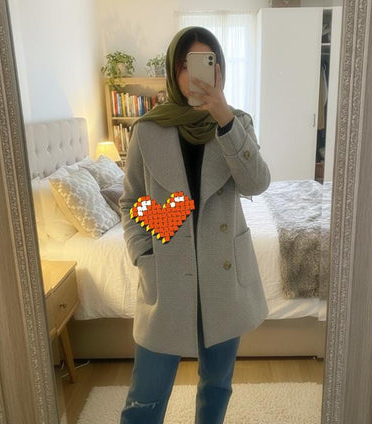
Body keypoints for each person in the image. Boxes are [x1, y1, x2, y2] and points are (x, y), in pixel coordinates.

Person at [119, 26, 270, 424]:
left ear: (219, 70)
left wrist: (224, 119)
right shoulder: (147, 129)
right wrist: (145, 253)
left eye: (206, 62)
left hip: (223, 278)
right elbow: (131, 201)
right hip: (167, 277)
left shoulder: (237, 123)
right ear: (174, 71)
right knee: (145, 397)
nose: (195, 74)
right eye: (186, 65)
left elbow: (256, 183)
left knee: (217, 385)